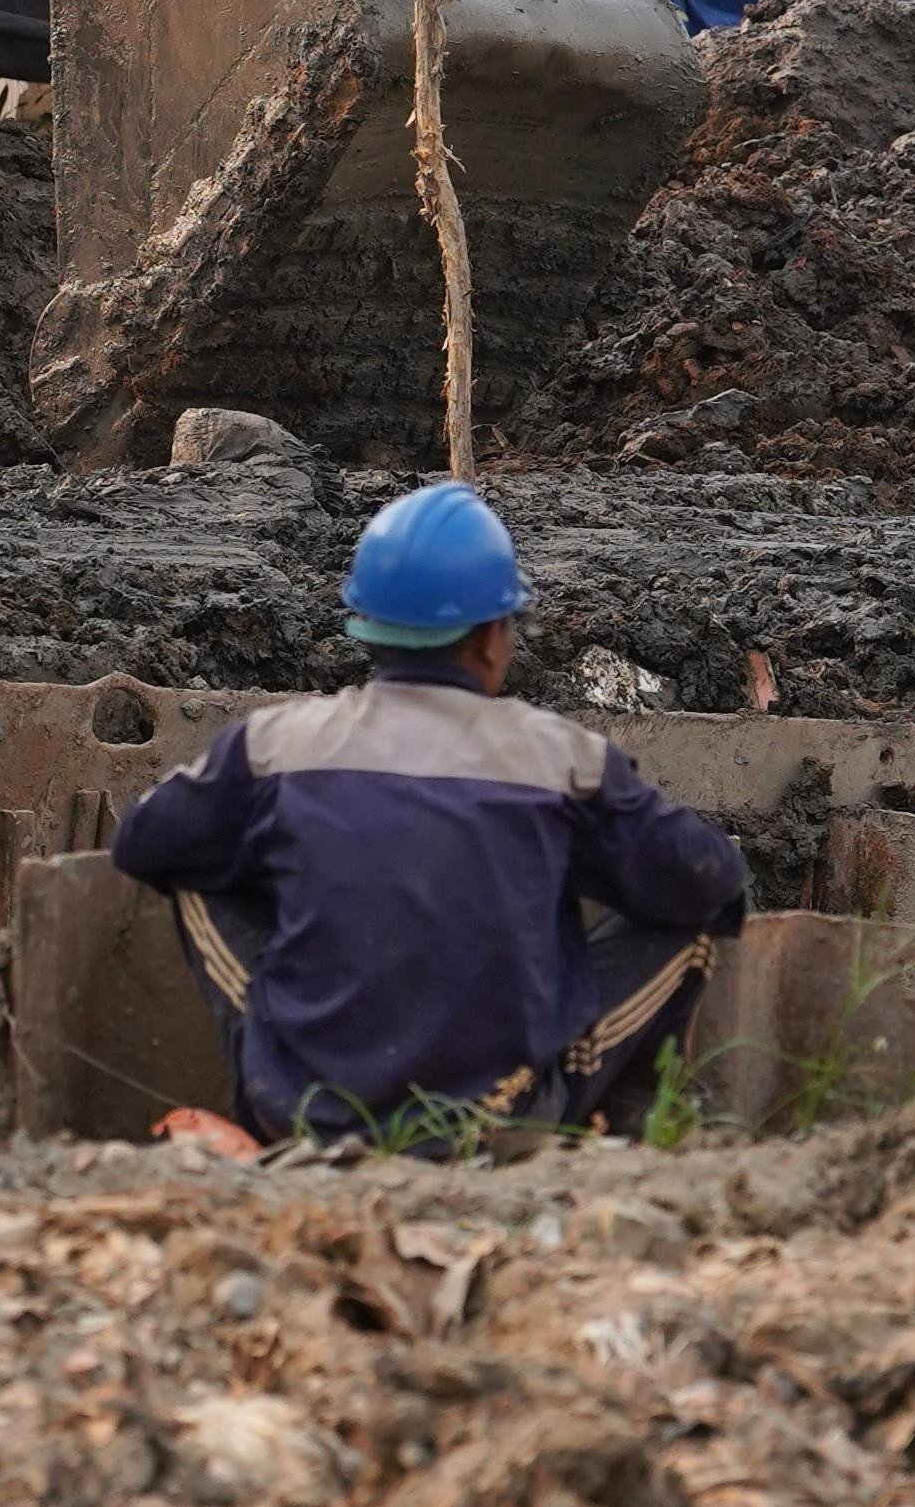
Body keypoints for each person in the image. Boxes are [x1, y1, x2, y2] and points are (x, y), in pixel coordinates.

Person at [111, 478, 746, 1145]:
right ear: (491, 639)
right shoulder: (564, 762)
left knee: (190, 874)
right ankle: (615, 1127)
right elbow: (707, 880)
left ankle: (281, 1088)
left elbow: (144, 843)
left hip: (309, 1114)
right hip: (502, 1118)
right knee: (694, 919)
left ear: (366, 630)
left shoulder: (276, 748)